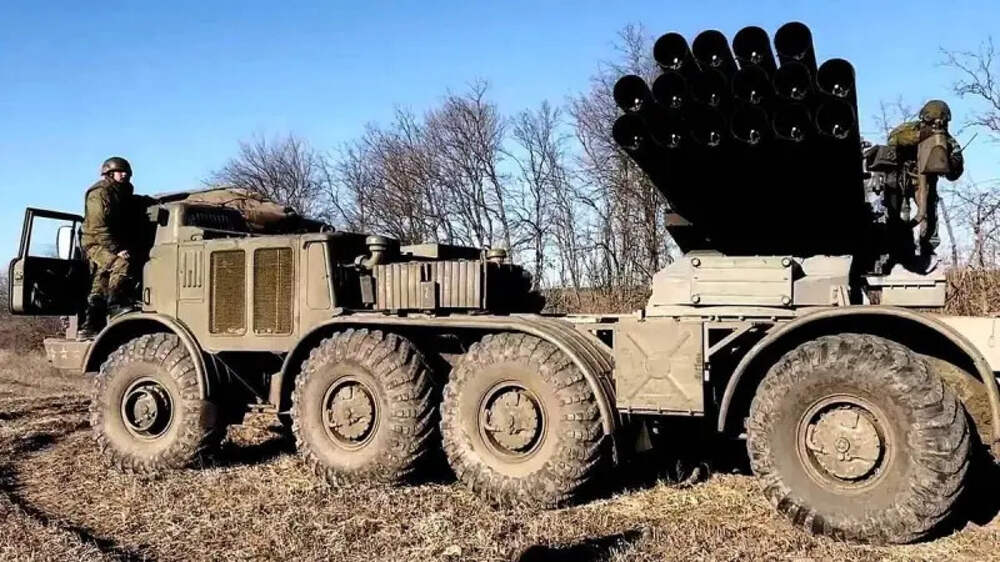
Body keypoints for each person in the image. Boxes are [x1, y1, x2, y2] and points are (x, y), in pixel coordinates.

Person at [884, 100, 964, 269]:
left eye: (941, 122)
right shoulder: (909, 129)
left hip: (926, 183)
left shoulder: (948, 141)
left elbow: (955, 171)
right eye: (932, 121)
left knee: (928, 214)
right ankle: (900, 251)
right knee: (902, 213)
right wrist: (919, 137)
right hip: (902, 179)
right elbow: (892, 139)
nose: (937, 124)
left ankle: (928, 250)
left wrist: (952, 162)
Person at [79, 156, 152, 338]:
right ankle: (115, 306)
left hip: (110, 241)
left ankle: (90, 327)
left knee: (101, 282)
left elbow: (133, 204)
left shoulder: (121, 192)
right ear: (109, 173)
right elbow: (98, 227)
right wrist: (117, 249)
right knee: (121, 264)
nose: (124, 174)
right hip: (95, 242)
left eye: (126, 172)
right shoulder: (99, 193)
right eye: (120, 171)